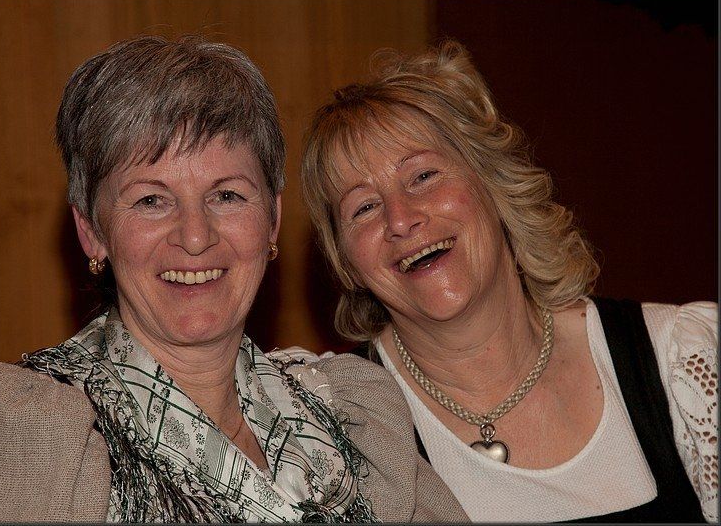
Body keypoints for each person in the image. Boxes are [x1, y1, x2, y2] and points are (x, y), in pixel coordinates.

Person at [0, 35, 468, 523]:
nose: (194, 236)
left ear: (273, 219)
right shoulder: (30, 438)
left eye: (226, 195)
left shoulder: (352, 412)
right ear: (92, 232)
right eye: (151, 200)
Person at [300, 40, 717, 523]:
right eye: (364, 208)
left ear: (492, 183)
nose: (400, 219)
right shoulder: (335, 430)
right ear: (346, 263)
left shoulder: (683, 363)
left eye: (423, 176)